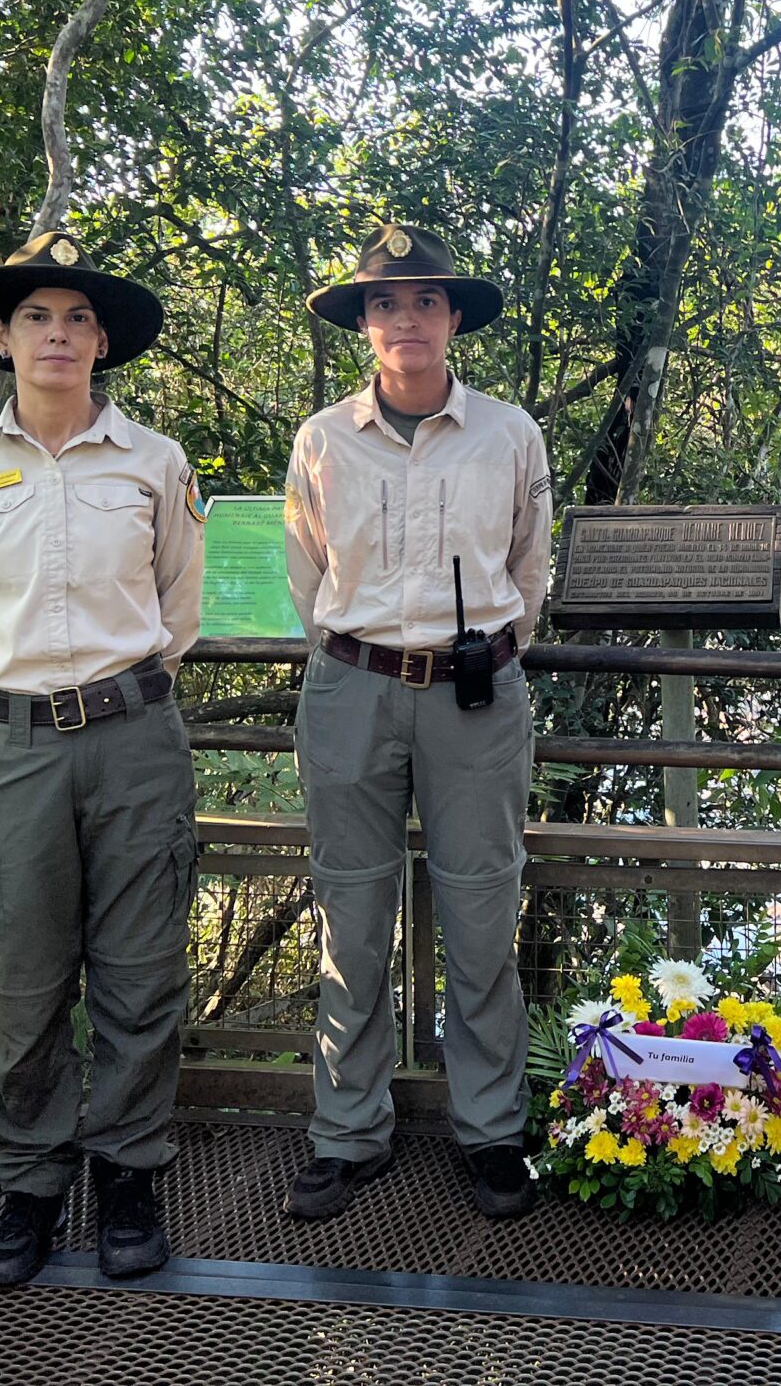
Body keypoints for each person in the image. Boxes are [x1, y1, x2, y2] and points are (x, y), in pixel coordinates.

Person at [0, 230, 207, 1289]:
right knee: (22, 978)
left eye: (79, 318)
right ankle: (29, 1184)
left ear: (102, 343)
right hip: (12, 750)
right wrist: (8, 703)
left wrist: (115, 696)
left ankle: (128, 1172)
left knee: (139, 971)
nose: (59, 335)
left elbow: (177, 604)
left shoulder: (154, 462)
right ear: (2, 337)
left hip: (134, 741)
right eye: (37, 316)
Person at [280, 222, 552, 1223]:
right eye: (386, 303)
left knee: (481, 910)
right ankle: (347, 1131)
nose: (406, 319)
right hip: (351, 688)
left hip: (474, 693)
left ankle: (491, 1129)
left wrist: (479, 649)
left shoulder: (509, 435)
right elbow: (308, 571)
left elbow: (529, 567)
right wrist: (365, 651)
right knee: (352, 916)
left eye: (425, 301)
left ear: (452, 319)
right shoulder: (322, 440)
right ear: (364, 322)